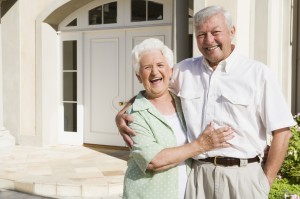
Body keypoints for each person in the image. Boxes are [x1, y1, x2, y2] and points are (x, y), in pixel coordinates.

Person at [116, 5, 297, 199]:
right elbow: (155, 85)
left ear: (232, 31)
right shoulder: (184, 71)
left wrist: (264, 182)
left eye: (215, 32)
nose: (209, 40)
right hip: (198, 177)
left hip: (243, 177)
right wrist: (124, 112)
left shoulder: (258, 74)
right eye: (201, 34)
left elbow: (282, 132)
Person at [122, 38, 234, 199]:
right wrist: (200, 145)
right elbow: (154, 160)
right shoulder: (134, 114)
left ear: (170, 71)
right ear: (139, 76)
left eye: (160, 65)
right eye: (147, 68)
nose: (154, 72)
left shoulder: (184, 103)